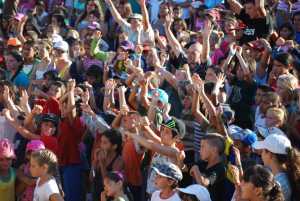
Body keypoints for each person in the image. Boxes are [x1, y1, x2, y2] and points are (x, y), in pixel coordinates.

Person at [253, 134, 300, 201]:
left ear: (270, 154)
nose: (261, 154)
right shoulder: (284, 175)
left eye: (263, 151)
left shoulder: (279, 183)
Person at [189, 134, 227, 201]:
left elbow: (204, 185)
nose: (199, 150)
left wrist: (196, 170)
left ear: (214, 150)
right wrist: (179, 159)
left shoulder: (220, 169)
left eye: (203, 147)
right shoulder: (202, 163)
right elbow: (184, 169)